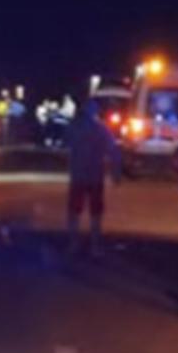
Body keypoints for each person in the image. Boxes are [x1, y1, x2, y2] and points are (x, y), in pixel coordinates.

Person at [65, 100, 122, 254]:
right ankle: (94, 245)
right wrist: (116, 172)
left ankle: (73, 243)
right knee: (95, 212)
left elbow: (66, 144)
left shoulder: (75, 128)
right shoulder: (101, 130)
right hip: (95, 175)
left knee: (74, 210)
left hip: (78, 174)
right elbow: (113, 151)